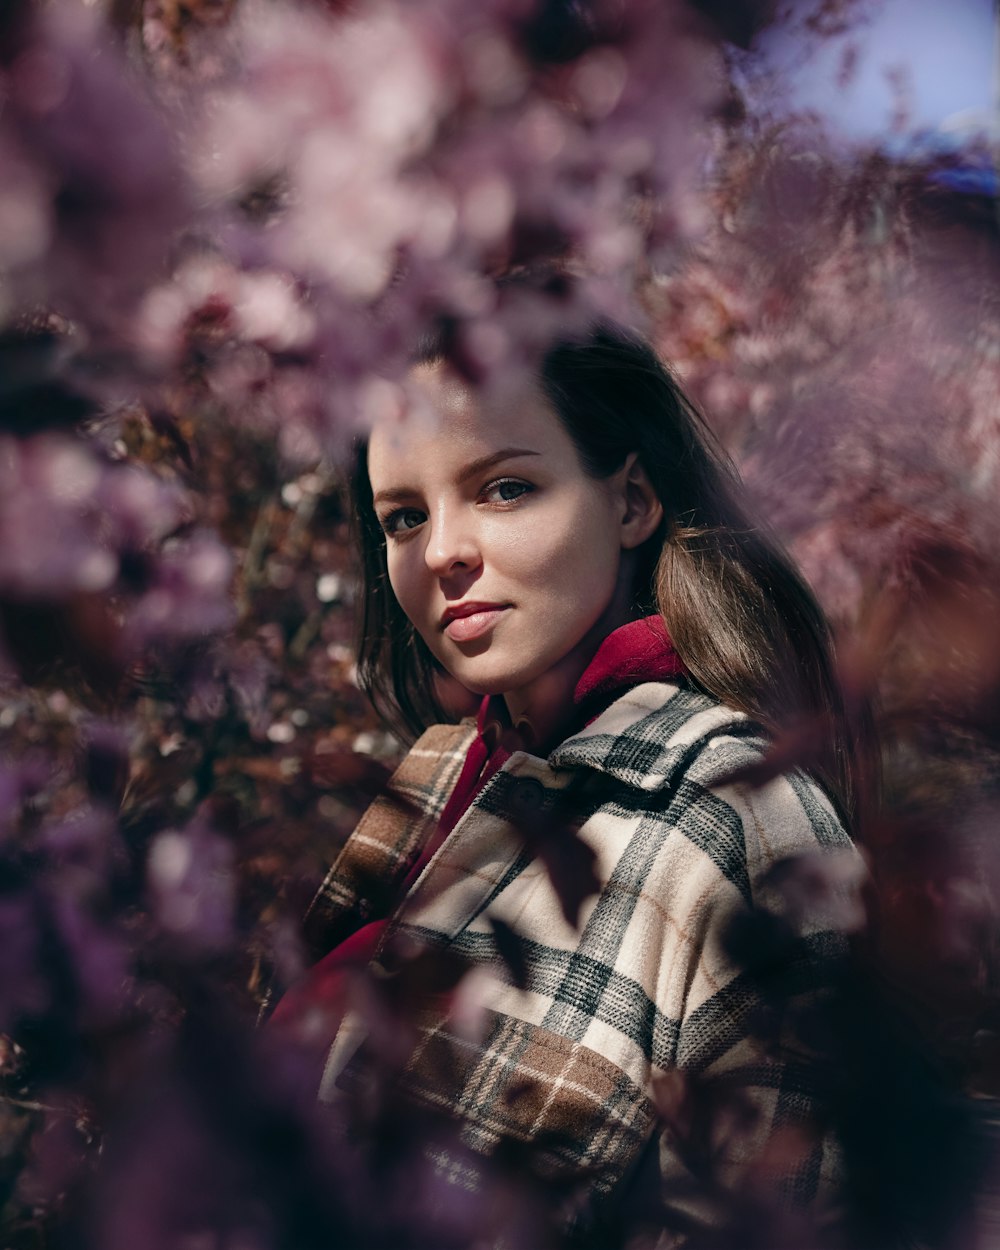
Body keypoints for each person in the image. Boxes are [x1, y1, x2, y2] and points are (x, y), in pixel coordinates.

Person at [273, 324, 870, 1247]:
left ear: (631, 500)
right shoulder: (437, 778)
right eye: (404, 516)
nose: (440, 553)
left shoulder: (744, 810)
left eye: (503, 487)